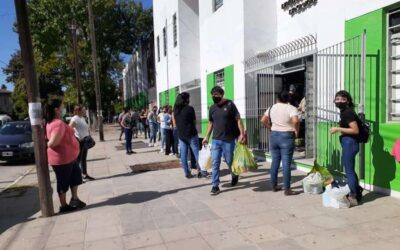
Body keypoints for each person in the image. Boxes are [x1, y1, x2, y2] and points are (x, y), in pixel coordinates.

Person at [44, 97, 86, 213]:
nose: (63, 108)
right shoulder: (57, 124)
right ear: (57, 109)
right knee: (63, 182)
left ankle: (74, 199)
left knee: (76, 177)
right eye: (62, 106)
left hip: (69, 158)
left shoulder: (54, 121)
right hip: (62, 160)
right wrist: (47, 144)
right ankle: (63, 206)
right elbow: (53, 143)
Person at [203, 86, 245, 195]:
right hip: (216, 140)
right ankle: (215, 185)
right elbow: (210, 123)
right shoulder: (212, 108)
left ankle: (234, 174)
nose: (214, 96)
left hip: (228, 140)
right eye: (212, 94)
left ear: (221, 94)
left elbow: (238, 120)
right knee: (215, 162)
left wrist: (242, 134)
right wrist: (207, 136)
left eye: (216, 94)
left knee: (229, 160)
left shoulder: (230, 104)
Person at [261, 91, 300, 196]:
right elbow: (295, 121)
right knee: (286, 164)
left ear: (277, 98)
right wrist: (296, 130)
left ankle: (274, 186)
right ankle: (287, 189)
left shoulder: (271, 107)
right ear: (288, 99)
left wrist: (271, 128)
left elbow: (263, 120)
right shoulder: (291, 108)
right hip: (287, 136)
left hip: (274, 136)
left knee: (275, 162)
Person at [330, 90, 363, 206]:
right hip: (348, 143)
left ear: (348, 101)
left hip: (350, 143)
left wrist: (337, 129)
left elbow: (355, 130)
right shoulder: (345, 111)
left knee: (349, 171)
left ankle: (353, 195)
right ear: (334, 101)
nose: (340, 101)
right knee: (350, 170)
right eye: (337, 99)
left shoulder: (347, 113)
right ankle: (356, 191)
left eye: (343, 99)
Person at [173, 92, 207, 178]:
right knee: (196, 153)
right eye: (188, 98)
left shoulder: (175, 110)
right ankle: (201, 171)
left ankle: (187, 173)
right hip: (191, 134)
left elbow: (176, 123)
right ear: (186, 99)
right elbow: (194, 122)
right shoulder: (190, 108)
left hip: (181, 135)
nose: (189, 99)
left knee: (183, 154)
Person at [69, 105, 95, 181]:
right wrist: (75, 138)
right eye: (84, 110)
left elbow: (85, 129)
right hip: (79, 142)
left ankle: (84, 174)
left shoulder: (82, 118)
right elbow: (69, 129)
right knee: (78, 160)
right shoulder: (75, 118)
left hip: (85, 141)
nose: (85, 111)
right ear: (79, 110)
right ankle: (77, 177)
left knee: (83, 159)